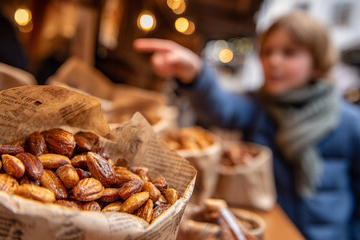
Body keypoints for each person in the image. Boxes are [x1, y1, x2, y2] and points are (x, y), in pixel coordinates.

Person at [134, 11, 360, 240]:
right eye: (267, 52)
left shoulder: (351, 124)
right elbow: (222, 107)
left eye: (289, 53)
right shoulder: (258, 106)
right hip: (269, 229)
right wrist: (196, 74)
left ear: (317, 63)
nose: (273, 61)